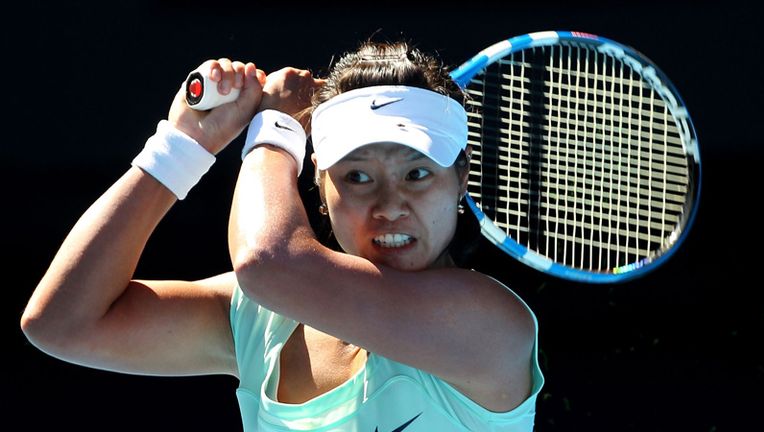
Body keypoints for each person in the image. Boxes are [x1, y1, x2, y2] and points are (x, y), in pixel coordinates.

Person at [21, 40, 544, 431]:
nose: (389, 206)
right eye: (357, 177)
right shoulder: (261, 317)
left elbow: (266, 262)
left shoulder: (489, 324)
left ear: (461, 177)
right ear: (319, 182)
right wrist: (183, 144)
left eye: (417, 174)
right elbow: (62, 324)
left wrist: (273, 130)